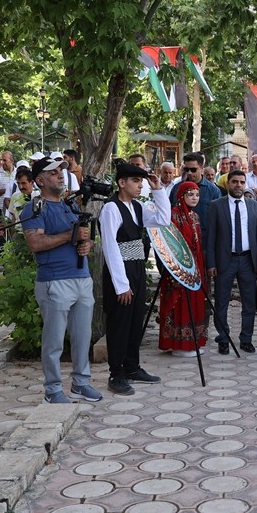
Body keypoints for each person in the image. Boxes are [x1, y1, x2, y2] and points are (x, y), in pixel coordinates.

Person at [20, 157, 100, 404]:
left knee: (82, 336)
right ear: (40, 181)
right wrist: (69, 236)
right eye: (53, 173)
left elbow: (83, 238)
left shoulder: (70, 206)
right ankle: (53, 389)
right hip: (55, 280)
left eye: (61, 172)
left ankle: (81, 383)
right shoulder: (35, 208)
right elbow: (35, 243)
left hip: (81, 277)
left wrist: (86, 243)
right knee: (54, 340)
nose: (59, 176)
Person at [100, 162, 170, 395]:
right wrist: (122, 285)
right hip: (121, 270)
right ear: (122, 183)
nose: (141, 185)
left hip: (137, 267)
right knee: (120, 322)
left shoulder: (138, 207)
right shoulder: (111, 208)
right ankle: (116, 373)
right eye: (136, 181)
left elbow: (163, 219)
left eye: (142, 181)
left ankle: (131, 366)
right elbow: (110, 247)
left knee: (135, 320)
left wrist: (158, 189)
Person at [205, 170, 257, 354]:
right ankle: (223, 339)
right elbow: (211, 237)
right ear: (227, 183)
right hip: (225, 260)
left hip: (248, 260)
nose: (238, 185)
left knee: (249, 303)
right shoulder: (216, 205)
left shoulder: (254, 206)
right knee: (221, 301)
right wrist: (211, 263)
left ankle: (246, 339)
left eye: (241, 182)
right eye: (234, 182)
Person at [158, 180, 209, 357]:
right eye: (190, 194)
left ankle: (192, 341)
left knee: (195, 300)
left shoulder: (195, 216)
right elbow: (170, 244)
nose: (194, 198)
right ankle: (178, 344)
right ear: (181, 195)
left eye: (197, 194)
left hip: (196, 265)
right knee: (179, 302)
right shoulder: (173, 215)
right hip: (178, 267)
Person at [173, 152, 221, 224]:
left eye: (193, 170)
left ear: (202, 169)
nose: (189, 173)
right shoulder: (177, 188)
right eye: (186, 169)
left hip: (204, 233)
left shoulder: (213, 191)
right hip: (180, 233)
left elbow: (219, 217)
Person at [0, 150, 17, 218]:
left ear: (12, 160)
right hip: (0, 207)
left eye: (4, 160)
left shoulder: (18, 173)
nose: (2, 162)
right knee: (0, 228)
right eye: (1, 160)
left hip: (16, 208)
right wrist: (8, 190)